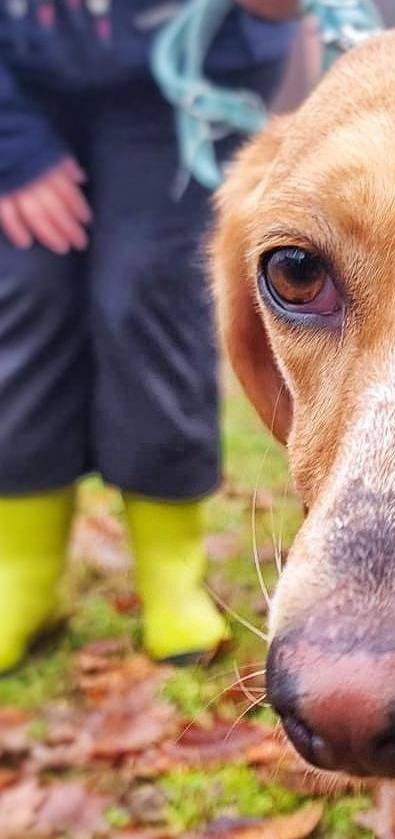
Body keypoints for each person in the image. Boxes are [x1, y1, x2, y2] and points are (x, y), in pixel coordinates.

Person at [0, 0, 297, 670]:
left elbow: (268, 20)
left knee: (148, 292)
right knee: (20, 289)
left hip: (179, 86)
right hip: (16, 80)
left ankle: (171, 572)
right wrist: (11, 149)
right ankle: (25, 572)